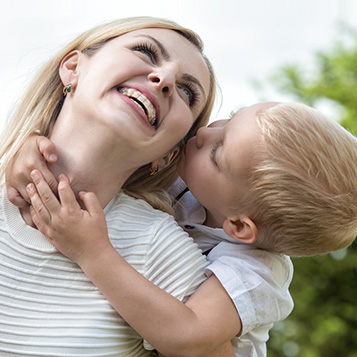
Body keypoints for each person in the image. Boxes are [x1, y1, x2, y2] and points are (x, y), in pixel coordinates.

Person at [9, 101, 357, 355]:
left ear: (238, 226)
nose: (205, 132)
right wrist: (32, 150)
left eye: (219, 153)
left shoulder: (258, 271)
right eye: (232, 117)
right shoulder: (197, 189)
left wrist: (93, 252)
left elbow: (187, 337)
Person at [0, 16, 236, 357]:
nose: (165, 78)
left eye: (187, 92)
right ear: (72, 68)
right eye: (145, 52)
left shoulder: (160, 250)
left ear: (170, 155)